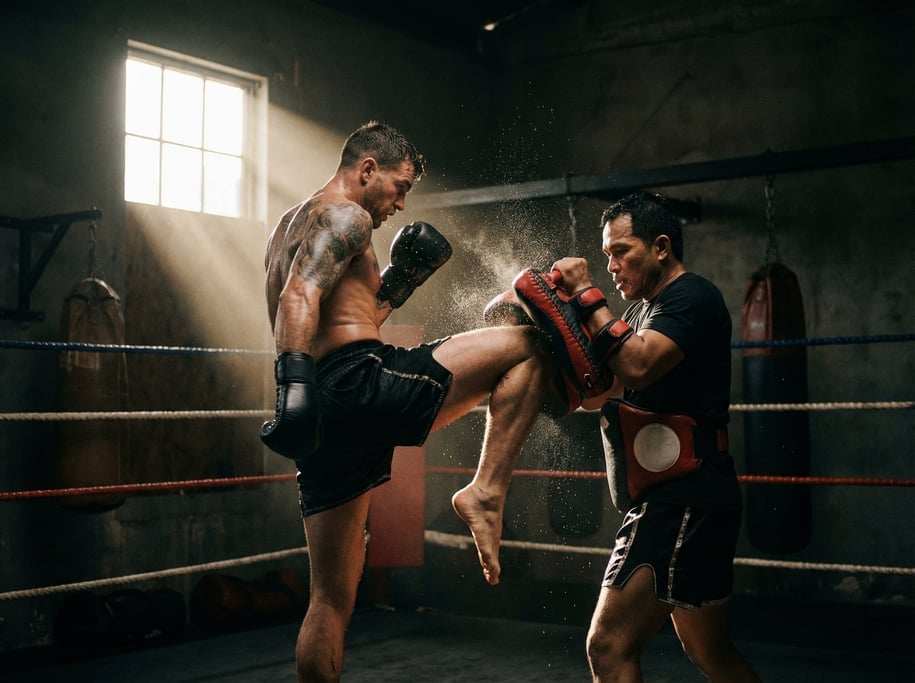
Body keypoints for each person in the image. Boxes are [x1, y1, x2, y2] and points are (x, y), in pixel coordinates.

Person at [260, 121, 554, 683]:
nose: (401, 201)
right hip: (355, 383)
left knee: (329, 601)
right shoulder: (345, 216)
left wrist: (397, 284)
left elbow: (338, 314)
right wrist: (289, 386)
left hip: (326, 412)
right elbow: (300, 298)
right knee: (531, 348)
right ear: (366, 169)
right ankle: (486, 492)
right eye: (399, 185)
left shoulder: (285, 227)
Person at [548, 191, 761, 682]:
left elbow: (639, 365)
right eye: (606, 256)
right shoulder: (645, 313)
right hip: (695, 497)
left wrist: (587, 294)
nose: (612, 265)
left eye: (621, 251)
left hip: (680, 499)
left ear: (661, 247)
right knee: (712, 651)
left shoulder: (691, 296)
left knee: (608, 647)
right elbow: (610, 388)